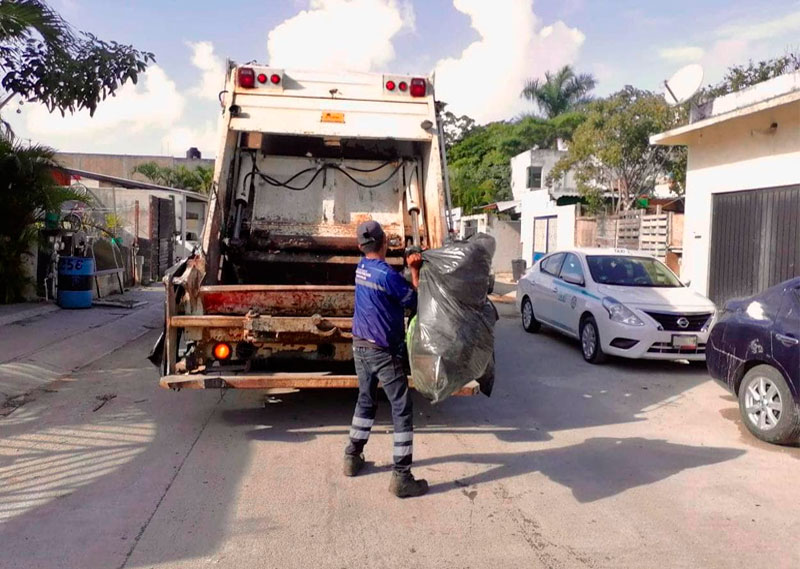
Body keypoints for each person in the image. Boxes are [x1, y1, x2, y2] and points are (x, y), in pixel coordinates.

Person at [343, 220, 428, 498]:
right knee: (402, 409)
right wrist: (414, 269)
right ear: (385, 244)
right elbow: (415, 302)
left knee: (366, 401)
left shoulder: (361, 268)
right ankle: (402, 477)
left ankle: (352, 457)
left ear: (359, 246)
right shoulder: (387, 276)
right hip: (382, 350)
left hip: (360, 347)